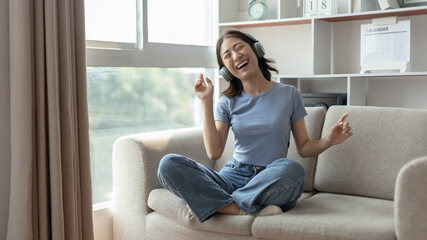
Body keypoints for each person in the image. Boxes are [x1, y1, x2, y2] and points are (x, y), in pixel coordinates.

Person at [157, 30, 352, 223]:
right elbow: (214, 152)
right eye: (227, 55)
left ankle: (218, 204)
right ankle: (239, 208)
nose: (236, 56)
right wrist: (206, 101)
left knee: (293, 171)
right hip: (232, 176)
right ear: (225, 69)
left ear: (256, 49)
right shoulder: (227, 102)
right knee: (168, 164)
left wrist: (329, 141)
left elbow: (304, 147)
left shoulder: (289, 94)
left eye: (239, 47)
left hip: (270, 178)